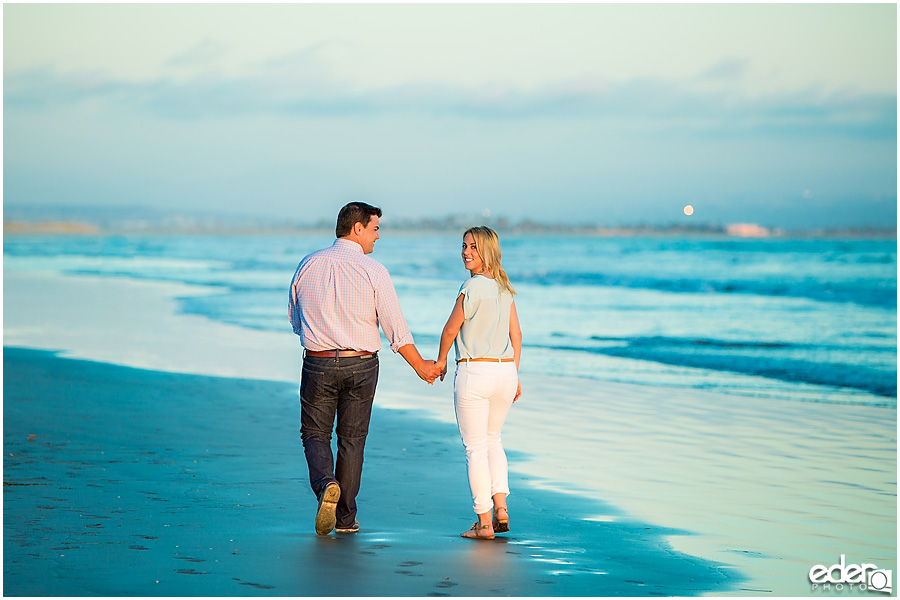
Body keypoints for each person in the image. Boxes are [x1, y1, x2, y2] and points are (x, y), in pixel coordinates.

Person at [288, 202, 441, 536]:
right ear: (356, 228)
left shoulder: (307, 264)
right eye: (375, 228)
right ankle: (345, 519)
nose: (378, 236)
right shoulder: (374, 270)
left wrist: (321, 338)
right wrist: (422, 367)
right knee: (352, 440)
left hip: (318, 362)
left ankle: (326, 484)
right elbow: (395, 330)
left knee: (315, 434)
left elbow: (295, 319)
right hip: (361, 363)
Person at [435, 226, 522, 540]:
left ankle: (484, 524)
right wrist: (515, 374)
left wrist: (441, 360)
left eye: (473, 247)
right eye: (463, 246)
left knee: (475, 449)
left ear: (487, 251)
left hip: (475, 372)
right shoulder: (503, 289)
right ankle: (501, 507)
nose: (466, 252)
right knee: (493, 440)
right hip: (504, 373)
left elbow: (449, 329)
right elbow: (517, 336)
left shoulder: (471, 287)